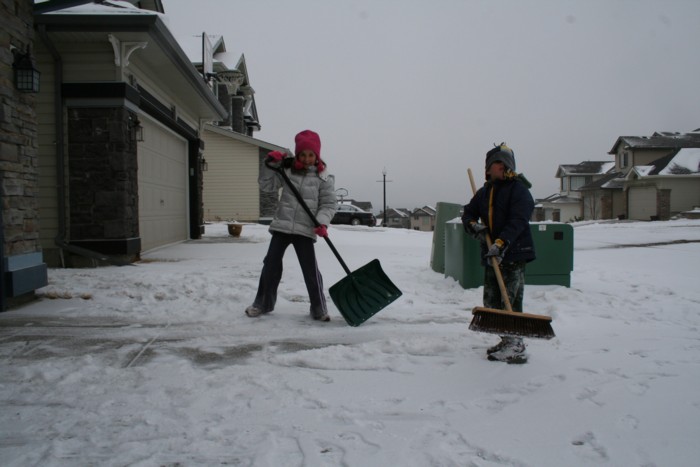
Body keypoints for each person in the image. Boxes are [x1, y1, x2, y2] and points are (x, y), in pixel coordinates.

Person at [245, 130, 338, 322]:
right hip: (282, 226)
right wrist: (269, 165)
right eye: (302, 154)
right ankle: (262, 303)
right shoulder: (286, 170)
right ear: (297, 154)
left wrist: (321, 222)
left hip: (306, 229)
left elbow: (328, 204)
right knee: (270, 265)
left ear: (317, 155)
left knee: (310, 270)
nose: (306, 159)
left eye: (311, 155)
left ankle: (318, 308)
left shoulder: (324, 178)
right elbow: (266, 186)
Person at [462, 143, 536, 364]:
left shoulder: (519, 190)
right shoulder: (485, 192)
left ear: (503, 166)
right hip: (491, 254)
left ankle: (516, 344)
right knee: (492, 300)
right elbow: (468, 213)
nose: (488, 169)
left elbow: (518, 220)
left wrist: (502, 243)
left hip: (513, 253)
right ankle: (506, 339)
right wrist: (473, 225)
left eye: (492, 165)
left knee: (509, 300)